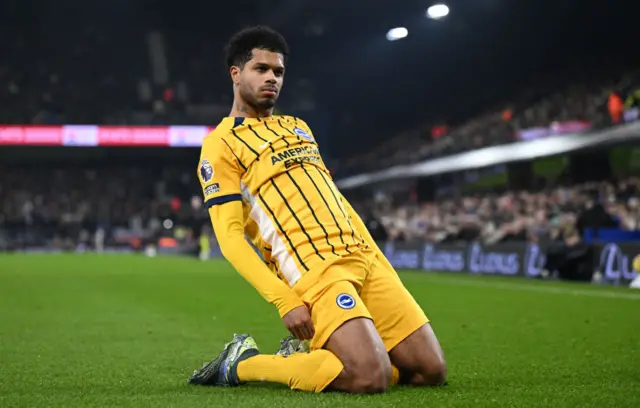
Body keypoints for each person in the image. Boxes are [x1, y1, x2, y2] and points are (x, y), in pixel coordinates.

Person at [189, 26, 446, 394]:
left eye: (278, 72)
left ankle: (323, 357)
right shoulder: (220, 144)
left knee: (429, 371)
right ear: (236, 73)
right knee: (369, 377)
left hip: (363, 257)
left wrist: (380, 263)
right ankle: (243, 364)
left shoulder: (299, 127)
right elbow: (230, 237)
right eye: (260, 69)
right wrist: (285, 299)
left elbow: (334, 198)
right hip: (314, 267)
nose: (271, 78)